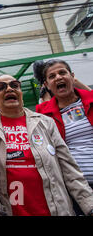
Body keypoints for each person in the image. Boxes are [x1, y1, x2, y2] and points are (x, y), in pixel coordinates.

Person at [0, 74, 93, 216]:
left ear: (21, 93)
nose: (9, 89)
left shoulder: (45, 123)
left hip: (55, 210)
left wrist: (90, 206)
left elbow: (69, 169)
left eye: (14, 85)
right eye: (1, 87)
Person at [35, 59, 93, 214]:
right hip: (76, 188)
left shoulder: (91, 100)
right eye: (52, 76)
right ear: (46, 85)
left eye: (62, 72)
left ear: (72, 77)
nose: (58, 77)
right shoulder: (42, 114)